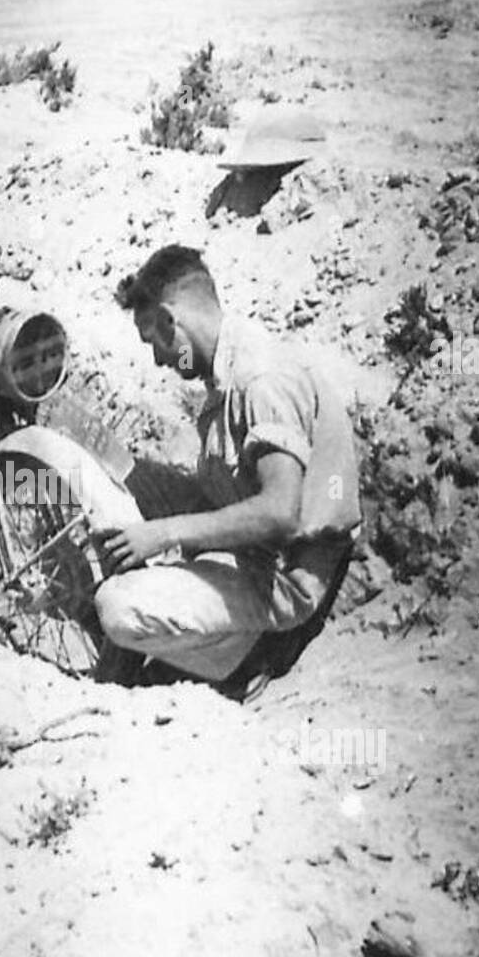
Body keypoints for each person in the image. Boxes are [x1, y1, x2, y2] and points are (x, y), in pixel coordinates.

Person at [93, 245, 361, 699]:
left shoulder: (260, 379)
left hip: (281, 575)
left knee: (116, 606)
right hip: (252, 545)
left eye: (153, 343)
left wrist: (164, 535)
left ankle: (243, 657)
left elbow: (280, 512)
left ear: (168, 321)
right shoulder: (228, 364)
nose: (159, 361)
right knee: (134, 475)